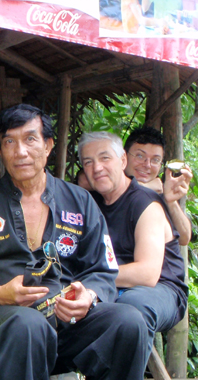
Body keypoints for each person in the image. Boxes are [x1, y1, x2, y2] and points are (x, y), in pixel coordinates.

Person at [0, 104, 167, 380]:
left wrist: (89, 295)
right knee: (25, 323)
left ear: (47, 146)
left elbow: (104, 268)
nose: (20, 151)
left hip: (67, 323)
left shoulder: (79, 200)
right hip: (8, 327)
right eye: (9, 142)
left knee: (128, 320)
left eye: (30, 140)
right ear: (0, 149)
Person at [80, 132, 188, 361]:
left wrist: (90, 278)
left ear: (122, 161)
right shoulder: (89, 202)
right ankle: (64, 379)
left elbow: (147, 273)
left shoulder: (145, 202)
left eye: (104, 158)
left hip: (160, 289)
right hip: (109, 285)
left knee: (130, 308)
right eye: (88, 162)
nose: (97, 167)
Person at [123, 126, 192, 245]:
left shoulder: (159, 192)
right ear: (124, 156)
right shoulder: (108, 186)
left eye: (155, 160)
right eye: (140, 156)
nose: (147, 165)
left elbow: (184, 238)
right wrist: (145, 188)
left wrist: (171, 202)